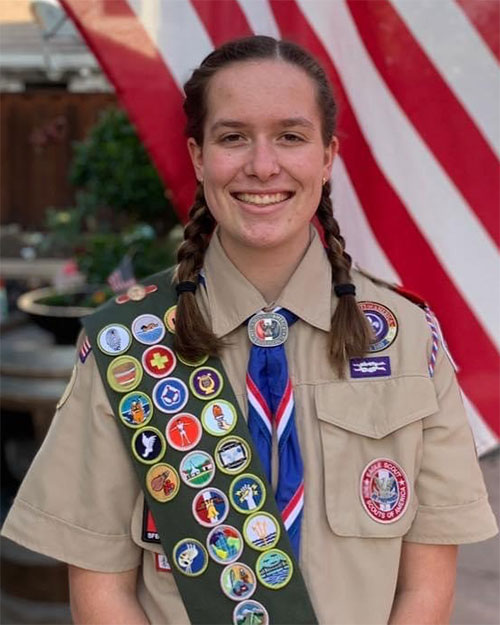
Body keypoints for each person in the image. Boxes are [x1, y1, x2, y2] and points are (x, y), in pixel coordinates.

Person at [2, 35, 497, 625]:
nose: (263, 165)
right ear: (197, 156)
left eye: (290, 136)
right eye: (233, 137)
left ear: (327, 156)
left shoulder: (410, 340)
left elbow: (426, 590)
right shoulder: (130, 344)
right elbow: (101, 591)